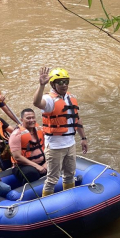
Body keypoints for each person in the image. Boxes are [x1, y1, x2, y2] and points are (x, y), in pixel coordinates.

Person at [33, 67, 88, 197]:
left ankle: (69, 198)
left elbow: (76, 119)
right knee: (52, 179)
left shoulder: (70, 98)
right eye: (60, 82)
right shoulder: (49, 100)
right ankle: (47, 205)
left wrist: (83, 138)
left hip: (70, 144)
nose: (64, 85)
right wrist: (41, 85)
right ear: (53, 84)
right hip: (55, 147)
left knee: (70, 175)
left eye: (66, 81)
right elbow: (36, 102)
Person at [9, 108, 46, 184]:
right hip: (23, 165)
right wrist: (37, 166)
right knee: (32, 173)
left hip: (43, 161)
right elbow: (17, 157)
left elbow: (49, 147)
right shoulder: (16, 135)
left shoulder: (40, 130)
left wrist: (47, 163)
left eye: (33, 117)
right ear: (22, 120)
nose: (31, 120)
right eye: (28, 118)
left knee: (58, 161)